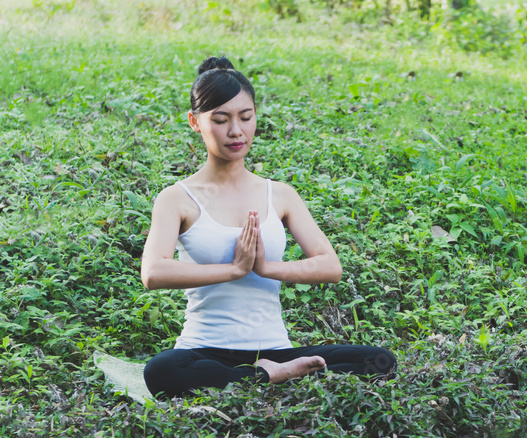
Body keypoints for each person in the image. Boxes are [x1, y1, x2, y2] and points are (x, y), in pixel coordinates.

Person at [141, 56, 395, 398]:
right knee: (161, 370)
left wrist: (265, 267)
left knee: (380, 360)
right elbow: (153, 272)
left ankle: (268, 374)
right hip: (203, 350)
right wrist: (234, 269)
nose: (236, 131)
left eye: (246, 117)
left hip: (275, 349)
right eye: (221, 120)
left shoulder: (280, 194)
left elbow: (330, 266)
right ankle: (271, 378)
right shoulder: (177, 198)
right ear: (195, 122)